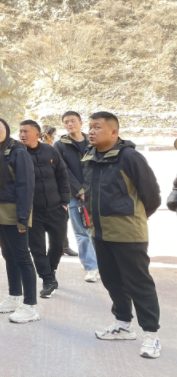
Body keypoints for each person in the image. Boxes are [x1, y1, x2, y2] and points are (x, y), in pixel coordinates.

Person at [83, 112, 162, 359]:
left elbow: (151, 196)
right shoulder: (90, 157)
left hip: (128, 233)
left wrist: (134, 218)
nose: (91, 131)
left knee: (138, 283)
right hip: (100, 232)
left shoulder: (129, 157)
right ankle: (123, 324)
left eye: (97, 127)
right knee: (111, 280)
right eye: (90, 127)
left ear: (114, 132)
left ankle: (151, 334)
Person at [0, 118, 39, 323]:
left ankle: (30, 306)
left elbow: (26, 187)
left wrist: (23, 218)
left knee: (22, 257)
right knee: (9, 255)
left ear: (6, 129)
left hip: (13, 214)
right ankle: (14, 297)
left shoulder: (18, 152)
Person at [18, 120, 70, 299]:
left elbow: (62, 175)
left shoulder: (50, 151)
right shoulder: (18, 154)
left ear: (37, 134)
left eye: (25, 131)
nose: (22, 135)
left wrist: (64, 201)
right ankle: (48, 279)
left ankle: (51, 270)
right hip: (34, 212)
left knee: (58, 245)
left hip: (56, 208)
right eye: (20, 131)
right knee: (37, 248)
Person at [55, 111, 99, 280]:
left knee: (97, 230)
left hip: (95, 192)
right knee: (82, 232)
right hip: (74, 195)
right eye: (66, 122)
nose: (70, 124)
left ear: (80, 122)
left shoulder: (92, 141)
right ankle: (91, 267)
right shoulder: (60, 145)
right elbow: (63, 171)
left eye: (73, 121)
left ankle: (96, 261)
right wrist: (79, 191)